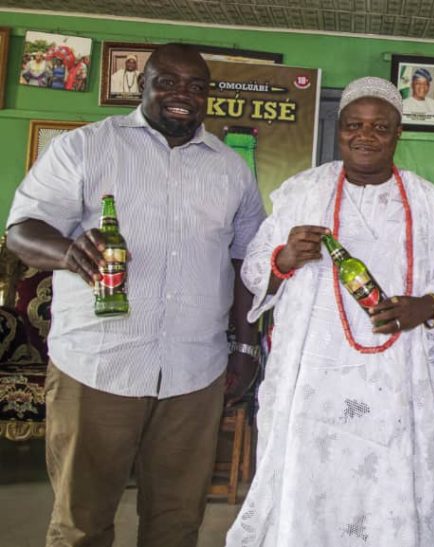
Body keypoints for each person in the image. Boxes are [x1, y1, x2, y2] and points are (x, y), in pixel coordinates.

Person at [5, 43, 266, 547]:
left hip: (194, 373)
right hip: (97, 367)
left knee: (177, 523)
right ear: (141, 85)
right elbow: (22, 230)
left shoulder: (232, 170)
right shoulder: (86, 147)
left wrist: (246, 345)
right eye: (167, 82)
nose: (182, 94)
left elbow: (246, 262)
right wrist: (68, 251)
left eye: (196, 86)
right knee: (81, 524)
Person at [224, 76, 434, 547]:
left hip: (400, 386)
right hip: (315, 385)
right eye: (353, 125)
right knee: (312, 489)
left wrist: (427, 305)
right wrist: (284, 259)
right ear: (339, 130)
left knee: (390, 493)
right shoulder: (301, 192)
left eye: (379, 127)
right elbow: (253, 268)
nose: (365, 136)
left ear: (397, 134)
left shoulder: (430, 203)